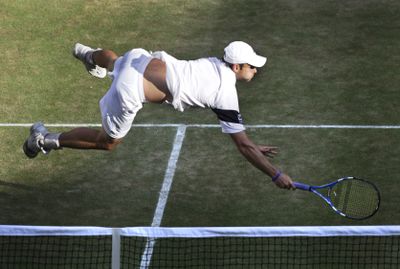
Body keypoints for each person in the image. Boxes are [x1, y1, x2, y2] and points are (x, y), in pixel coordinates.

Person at [23, 41, 295, 189]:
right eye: (251, 66)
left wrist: (252, 147)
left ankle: (89, 55)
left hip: (141, 60)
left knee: (117, 61)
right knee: (107, 142)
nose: (255, 70)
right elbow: (243, 146)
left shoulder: (214, 64)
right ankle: (45, 139)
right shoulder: (225, 92)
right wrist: (275, 175)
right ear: (236, 66)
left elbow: (245, 143)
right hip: (130, 89)